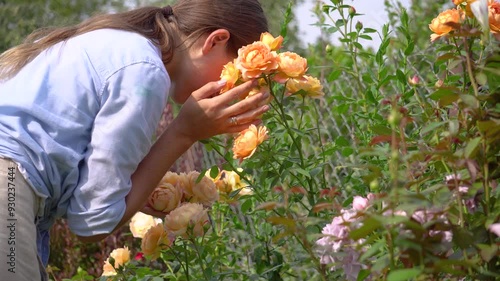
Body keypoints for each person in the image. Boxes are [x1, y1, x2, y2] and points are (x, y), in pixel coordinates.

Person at [0, 0, 270, 280]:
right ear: (216, 41)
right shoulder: (144, 72)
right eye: (233, 73)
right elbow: (92, 223)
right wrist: (184, 132)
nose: (230, 89)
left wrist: (138, 189)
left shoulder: (117, 42)